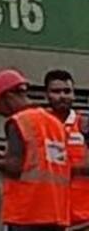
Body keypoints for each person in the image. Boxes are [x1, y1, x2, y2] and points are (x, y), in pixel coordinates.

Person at [0, 68, 77, 231]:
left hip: (28, 214)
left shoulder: (18, 122)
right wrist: (4, 157)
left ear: (8, 97)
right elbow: (39, 162)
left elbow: (16, 166)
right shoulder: (54, 122)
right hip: (56, 214)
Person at [45, 71, 89, 231]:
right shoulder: (39, 125)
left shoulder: (84, 125)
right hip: (47, 218)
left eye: (67, 91)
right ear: (46, 95)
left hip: (83, 219)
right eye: (56, 91)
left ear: (74, 95)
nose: (62, 96)